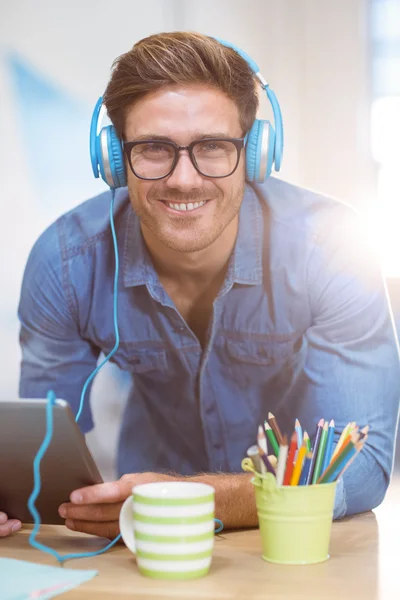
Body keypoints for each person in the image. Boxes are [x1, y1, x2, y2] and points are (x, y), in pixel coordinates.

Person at [1, 31, 399, 540]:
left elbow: (362, 470)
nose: (183, 179)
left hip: (299, 530)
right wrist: (19, 499)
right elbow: (38, 459)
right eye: (152, 148)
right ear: (114, 160)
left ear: (256, 153)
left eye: (213, 147)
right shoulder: (64, 263)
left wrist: (194, 499)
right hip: (146, 529)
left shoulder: (334, 249)